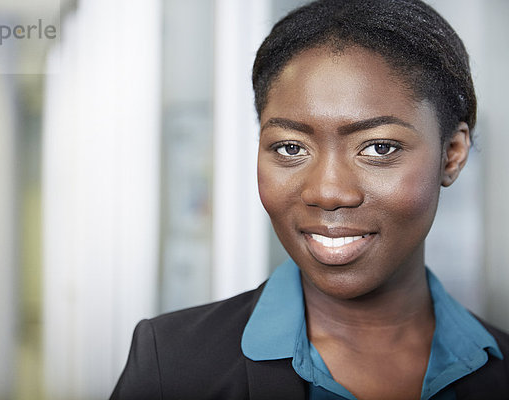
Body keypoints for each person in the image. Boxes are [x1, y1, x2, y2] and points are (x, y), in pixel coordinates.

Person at [110, 0, 509, 398]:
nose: (327, 192)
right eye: (289, 148)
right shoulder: (172, 367)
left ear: (452, 154)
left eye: (380, 148)